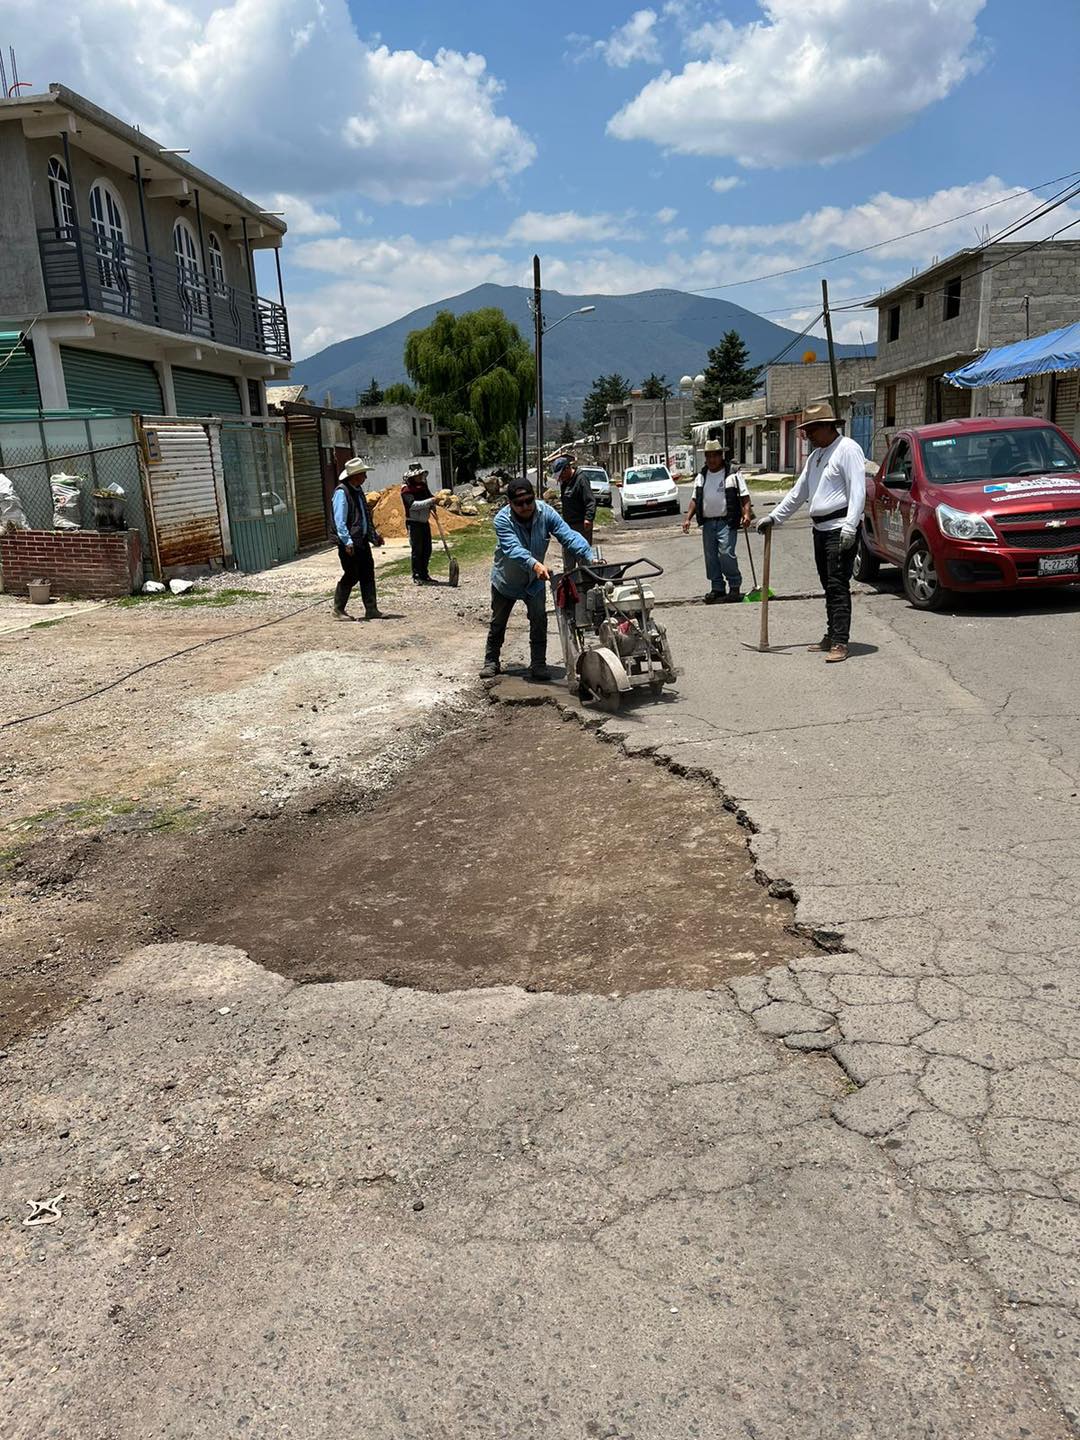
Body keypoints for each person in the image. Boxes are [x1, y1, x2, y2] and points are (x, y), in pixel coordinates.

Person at [756, 402, 866, 663]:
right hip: (820, 530)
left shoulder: (848, 450)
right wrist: (774, 517)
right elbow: (798, 493)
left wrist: (851, 526)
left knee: (838, 585)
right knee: (827, 585)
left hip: (840, 528)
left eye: (812, 429)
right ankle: (831, 633)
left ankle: (840, 641)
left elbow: (858, 490)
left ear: (827, 426)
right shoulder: (816, 457)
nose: (807, 435)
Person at [480, 476, 594, 681]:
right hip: (507, 581)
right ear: (510, 503)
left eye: (529, 501)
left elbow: (567, 535)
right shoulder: (502, 520)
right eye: (519, 503)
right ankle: (491, 661)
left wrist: (589, 556)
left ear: (534, 498)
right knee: (498, 622)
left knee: (539, 620)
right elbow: (513, 549)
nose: (525, 507)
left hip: (535, 582)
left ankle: (539, 664)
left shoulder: (546, 513)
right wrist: (534, 564)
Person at [682, 440, 752, 602]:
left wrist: (746, 514)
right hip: (707, 523)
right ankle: (717, 588)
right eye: (708, 456)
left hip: (726, 521)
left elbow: (744, 496)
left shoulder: (732, 473)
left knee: (726, 554)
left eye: (715, 456)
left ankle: (734, 586)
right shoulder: (701, 476)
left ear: (721, 456)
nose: (712, 459)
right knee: (711, 557)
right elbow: (694, 499)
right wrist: (688, 519)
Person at [331, 457, 384, 620]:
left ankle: (371, 609)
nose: (365, 477)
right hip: (350, 543)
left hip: (361, 541)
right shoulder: (342, 492)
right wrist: (347, 541)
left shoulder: (358, 491)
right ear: (354, 476)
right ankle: (338, 609)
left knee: (367, 573)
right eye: (363, 474)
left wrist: (374, 537)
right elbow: (340, 521)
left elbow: (364, 518)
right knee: (352, 574)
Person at [551, 454, 596, 570]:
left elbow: (590, 500)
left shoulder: (581, 479)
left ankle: (585, 583)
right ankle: (570, 584)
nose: (560, 478)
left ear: (567, 468)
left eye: (561, 475)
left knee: (583, 559)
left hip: (581, 525)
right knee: (568, 561)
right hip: (568, 526)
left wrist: (588, 518)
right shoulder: (564, 482)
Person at [401, 462, 436, 585]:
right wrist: (429, 502)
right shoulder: (406, 490)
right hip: (413, 523)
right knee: (417, 549)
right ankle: (416, 575)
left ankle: (424, 574)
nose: (420, 477)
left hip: (424, 521)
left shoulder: (423, 487)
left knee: (427, 549)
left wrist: (433, 504)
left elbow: (430, 498)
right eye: (418, 475)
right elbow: (412, 506)